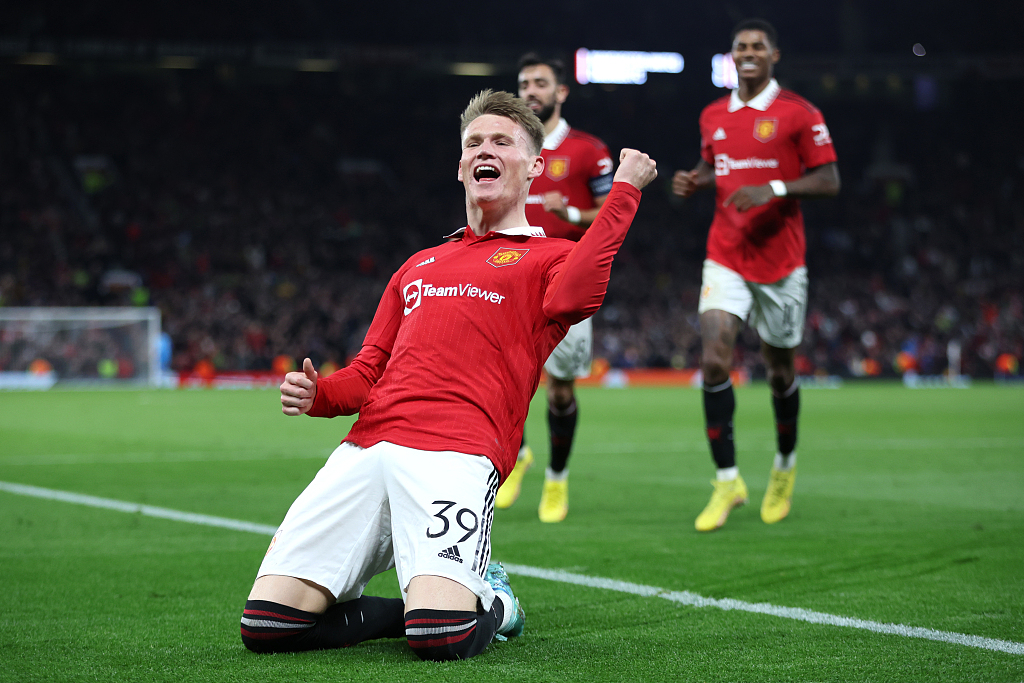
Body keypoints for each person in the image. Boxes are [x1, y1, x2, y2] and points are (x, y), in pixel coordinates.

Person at [240, 89, 657, 661]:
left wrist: (624, 192)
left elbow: (585, 289)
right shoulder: (418, 265)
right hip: (365, 448)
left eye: (502, 142)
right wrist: (318, 395)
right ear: (461, 167)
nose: (486, 150)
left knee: (442, 638)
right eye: (474, 143)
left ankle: (497, 602)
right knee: (267, 627)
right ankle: (404, 610)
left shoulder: (550, 258)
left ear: (534, 166)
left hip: (457, 452)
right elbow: (367, 373)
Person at [671, 19, 840, 532]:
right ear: (732, 55)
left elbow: (830, 179)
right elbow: (714, 165)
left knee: (780, 369)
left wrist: (776, 190)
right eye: (740, 46)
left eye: (757, 47)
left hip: (781, 262)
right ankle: (727, 480)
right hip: (726, 253)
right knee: (714, 358)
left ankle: (784, 468)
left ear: (774, 55)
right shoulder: (713, 114)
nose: (747, 53)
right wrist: (694, 180)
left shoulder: (798, 113)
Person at [494, 53, 615, 523]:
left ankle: (557, 479)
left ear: (561, 92)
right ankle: (517, 456)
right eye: (524, 82)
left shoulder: (588, 150)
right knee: (502, 381)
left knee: (560, 391)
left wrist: (574, 217)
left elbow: (611, 216)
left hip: (564, 283)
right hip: (507, 278)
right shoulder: (506, 147)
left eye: (540, 83)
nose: (530, 90)